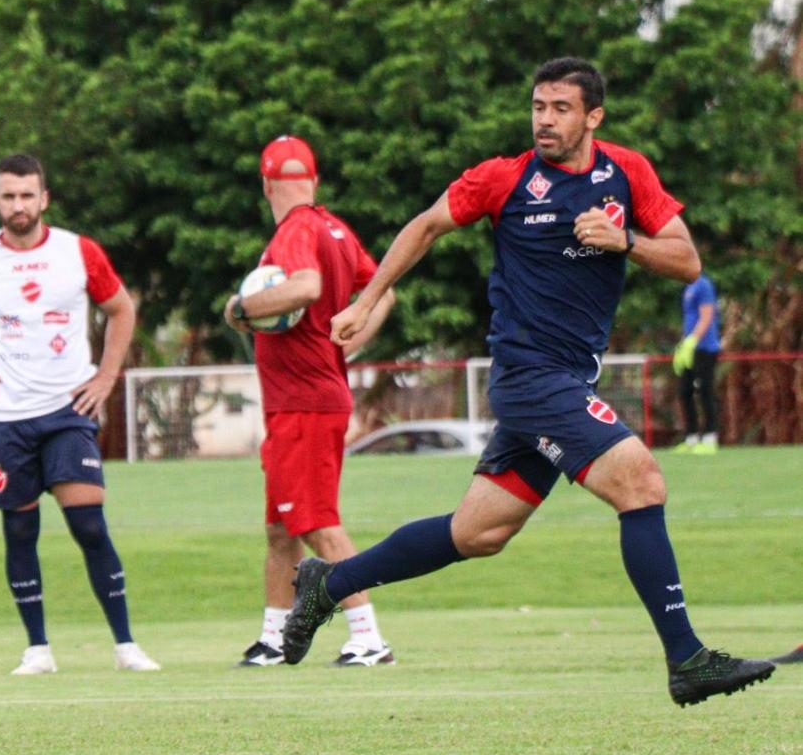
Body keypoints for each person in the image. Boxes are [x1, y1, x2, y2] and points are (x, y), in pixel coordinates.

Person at [285, 58, 775, 706]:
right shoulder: (505, 179)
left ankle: (328, 581)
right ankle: (688, 659)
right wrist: (365, 300)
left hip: (564, 381)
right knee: (642, 482)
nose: (545, 119)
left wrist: (622, 238)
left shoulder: (626, 173)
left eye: (561, 108)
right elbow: (427, 225)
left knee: (478, 533)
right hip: (529, 378)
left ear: (593, 117)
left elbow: (687, 261)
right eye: (539, 106)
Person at [0, 153, 161, 675]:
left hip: (67, 410)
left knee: (89, 524)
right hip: (7, 417)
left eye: (27, 195)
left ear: (44, 198)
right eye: (8, 196)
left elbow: (121, 309)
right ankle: (37, 649)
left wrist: (105, 376)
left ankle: (126, 645)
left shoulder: (79, 252)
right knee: (19, 532)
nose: (18, 205)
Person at [223, 136, 396, 667]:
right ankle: (274, 639)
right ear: (314, 180)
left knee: (318, 523)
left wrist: (241, 308)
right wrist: (351, 336)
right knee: (280, 528)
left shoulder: (296, 229)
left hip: (305, 401)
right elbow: (383, 292)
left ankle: (368, 637)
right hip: (300, 398)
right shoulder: (334, 228)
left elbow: (304, 286)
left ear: (266, 184)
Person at [674, 272, 722, 453]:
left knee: (705, 390)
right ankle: (691, 437)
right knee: (685, 391)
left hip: (705, 347)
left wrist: (693, 340)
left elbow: (707, 316)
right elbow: (689, 319)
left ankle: (710, 437)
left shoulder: (704, 285)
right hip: (689, 348)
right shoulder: (687, 287)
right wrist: (682, 345)